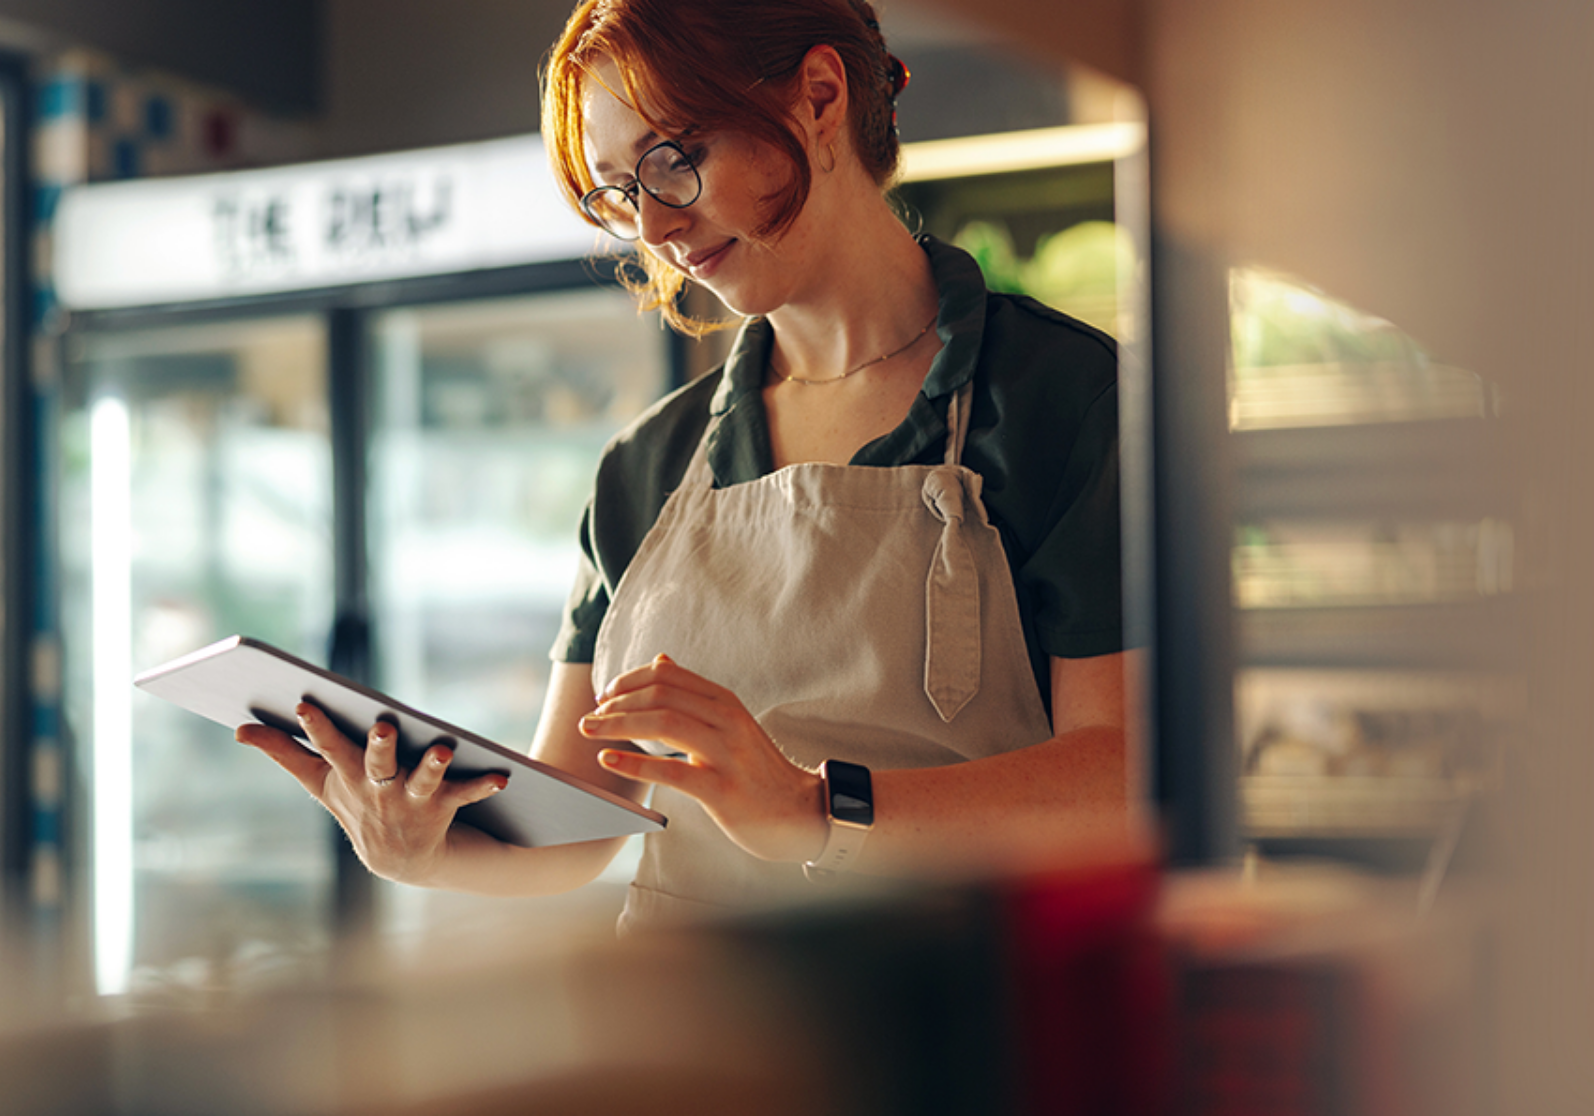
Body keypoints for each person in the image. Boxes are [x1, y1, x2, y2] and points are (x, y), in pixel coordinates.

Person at [238, 0, 1135, 933]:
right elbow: (579, 826)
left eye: (674, 161)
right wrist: (425, 848)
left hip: (953, 1037)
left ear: (820, 97)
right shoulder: (646, 467)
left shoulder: (1059, 398)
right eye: (620, 194)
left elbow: (1123, 775)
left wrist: (815, 811)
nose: (657, 230)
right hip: (689, 1051)